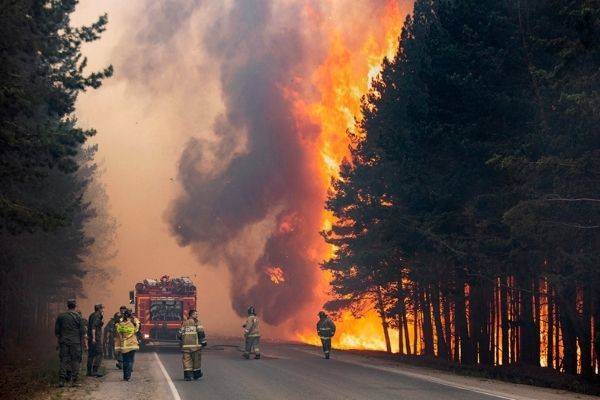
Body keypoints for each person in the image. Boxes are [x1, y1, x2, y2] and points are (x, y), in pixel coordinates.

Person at [55, 299, 85, 387]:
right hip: (75, 342)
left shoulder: (61, 316)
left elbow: (57, 332)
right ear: (75, 306)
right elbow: (82, 332)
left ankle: (61, 381)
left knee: (63, 360)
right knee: (75, 361)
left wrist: (59, 341)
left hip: (64, 341)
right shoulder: (78, 317)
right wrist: (84, 344)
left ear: (67, 306)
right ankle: (74, 381)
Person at [179, 309, 207, 381]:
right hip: (195, 346)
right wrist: (203, 342)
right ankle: (196, 375)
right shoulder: (197, 322)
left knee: (187, 361)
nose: (197, 315)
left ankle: (188, 376)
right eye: (196, 314)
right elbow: (201, 333)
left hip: (185, 347)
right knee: (196, 361)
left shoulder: (184, 323)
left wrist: (183, 340)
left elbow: (179, 334)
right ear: (192, 315)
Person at [115, 308, 140, 381]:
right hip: (132, 344)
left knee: (125, 361)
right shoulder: (133, 322)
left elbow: (117, 330)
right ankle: (128, 376)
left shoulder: (121, 324)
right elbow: (137, 328)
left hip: (124, 345)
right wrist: (134, 319)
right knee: (130, 361)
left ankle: (125, 376)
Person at [87, 304, 104, 377]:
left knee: (91, 354)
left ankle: (89, 371)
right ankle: (95, 371)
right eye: (102, 308)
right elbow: (93, 327)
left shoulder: (92, 315)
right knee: (99, 353)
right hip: (95, 338)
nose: (103, 310)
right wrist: (94, 338)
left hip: (90, 337)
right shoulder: (97, 315)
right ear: (99, 309)